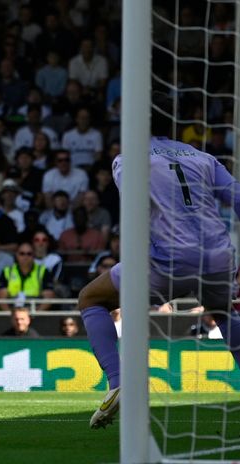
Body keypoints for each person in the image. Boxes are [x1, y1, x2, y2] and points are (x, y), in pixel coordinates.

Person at [81, 97, 240, 429]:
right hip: (218, 257)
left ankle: (119, 381)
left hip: (168, 260)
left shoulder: (128, 160)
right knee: (223, 311)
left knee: (91, 298)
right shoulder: (204, 157)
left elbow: (137, 210)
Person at [0, 242, 57, 311]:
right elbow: (1, 296)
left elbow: (49, 296)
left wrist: (35, 313)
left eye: (29, 254)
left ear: (34, 255)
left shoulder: (43, 271)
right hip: (12, 310)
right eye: (22, 253)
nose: (25, 257)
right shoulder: (7, 271)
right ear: (16, 255)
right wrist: (11, 315)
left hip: (35, 310)